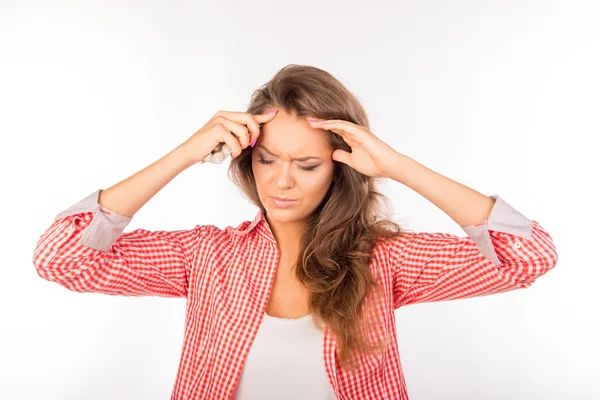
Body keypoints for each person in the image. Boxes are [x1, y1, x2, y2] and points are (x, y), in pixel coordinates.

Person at [32, 64, 558, 400]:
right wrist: (183, 154)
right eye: (267, 160)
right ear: (246, 160)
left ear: (338, 168)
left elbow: (527, 256)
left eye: (306, 164)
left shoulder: (384, 260)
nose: (281, 182)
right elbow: (61, 258)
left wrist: (398, 165)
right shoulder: (207, 255)